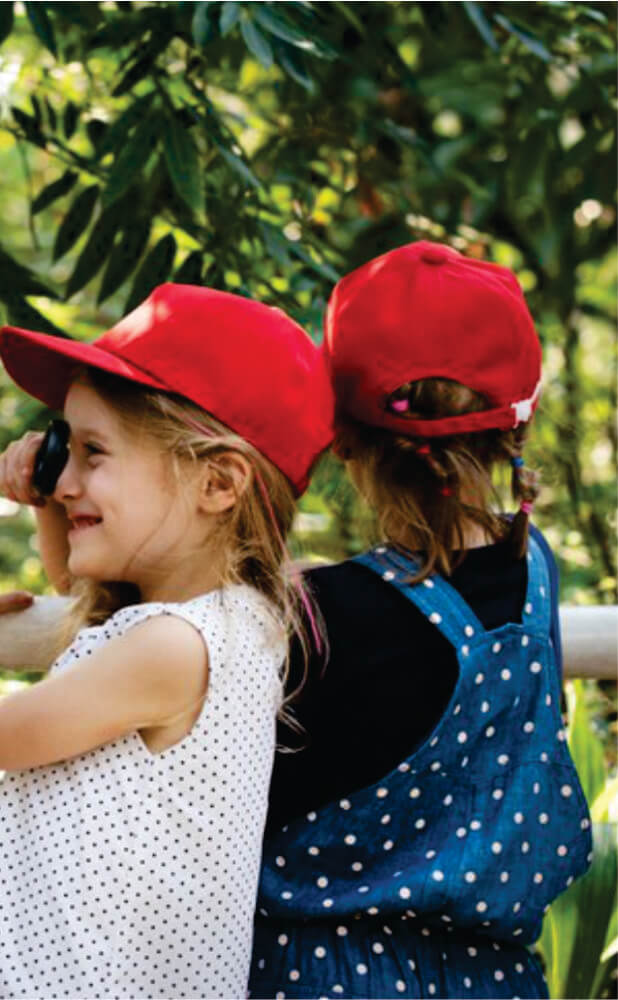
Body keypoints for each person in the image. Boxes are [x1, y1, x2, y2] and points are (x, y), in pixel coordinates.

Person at [0, 283, 334, 1000]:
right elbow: (90, 607)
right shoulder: (229, 623)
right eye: (62, 450)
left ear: (218, 484)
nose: (66, 478)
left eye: (93, 452)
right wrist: (55, 502)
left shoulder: (174, 647)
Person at [248, 241, 593, 1000]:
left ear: (341, 436)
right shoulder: (535, 570)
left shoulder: (322, 615)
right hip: (497, 980)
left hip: (320, 978)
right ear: (517, 425)